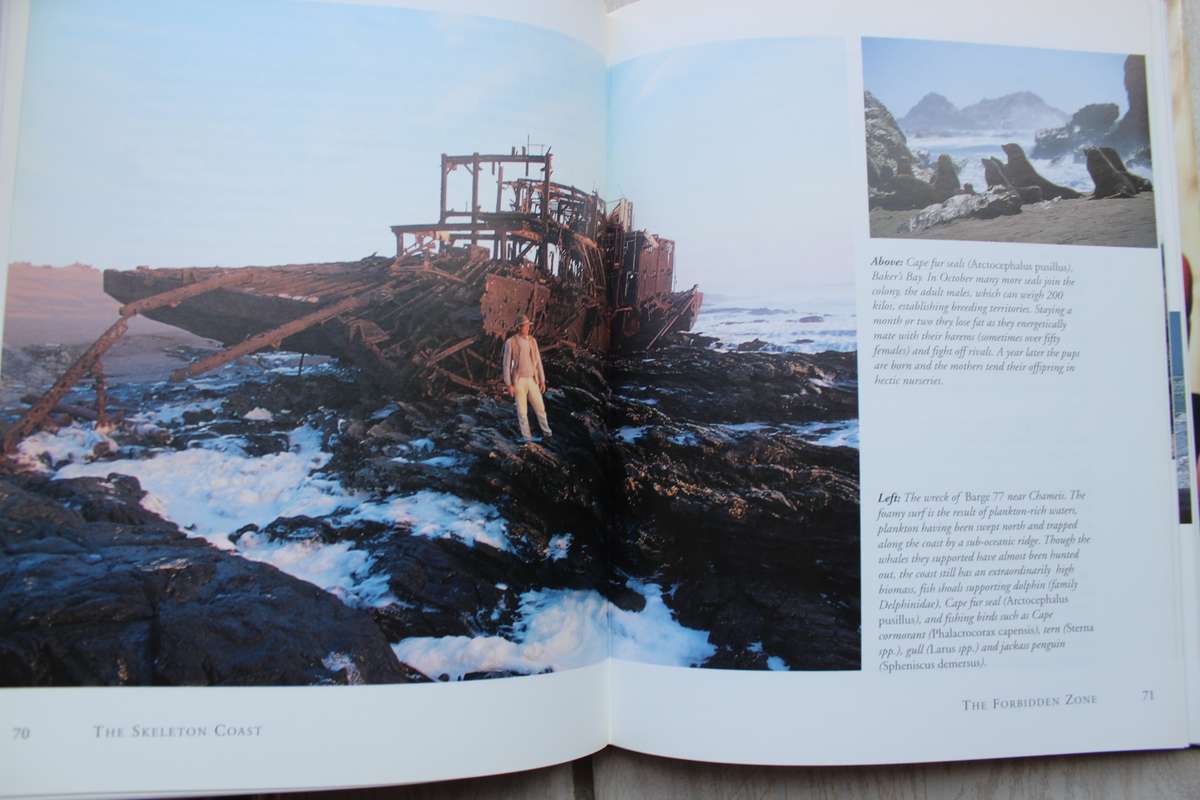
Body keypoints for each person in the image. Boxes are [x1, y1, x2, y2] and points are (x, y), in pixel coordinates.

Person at [501, 314, 552, 443]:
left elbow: (538, 361)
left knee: (540, 408)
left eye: (529, 325)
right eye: (526, 326)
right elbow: (506, 364)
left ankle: (548, 434)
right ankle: (527, 439)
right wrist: (508, 384)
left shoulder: (532, 341)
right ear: (519, 327)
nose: (528, 328)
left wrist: (541, 379)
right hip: (518, 381)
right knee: (522, 412)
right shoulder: (510, 342)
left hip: (532, 379)